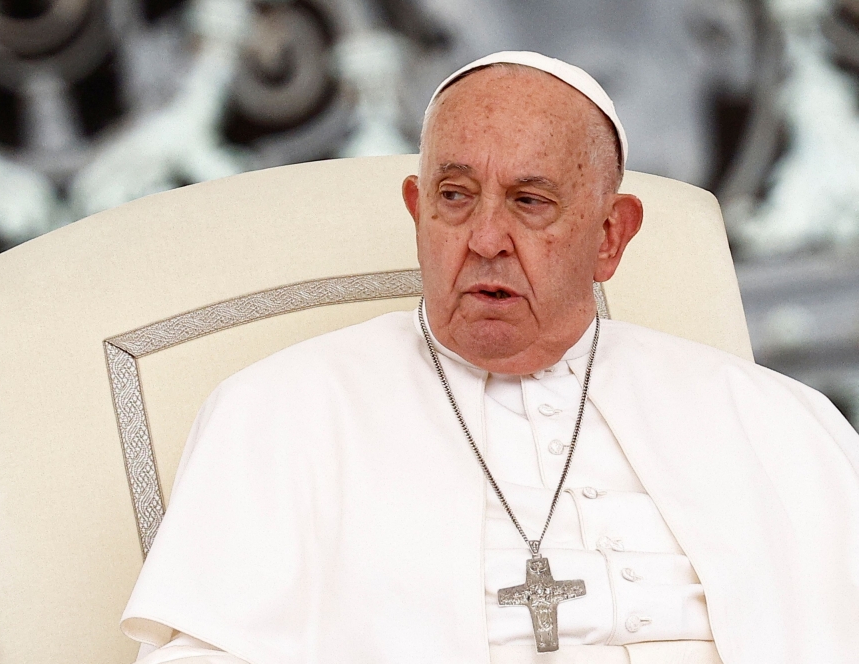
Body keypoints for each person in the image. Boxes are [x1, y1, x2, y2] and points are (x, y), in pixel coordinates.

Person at [120, 52, 859, 664]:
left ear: (610, 236)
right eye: (455, 196)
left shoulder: (776, 423)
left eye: (530, 201)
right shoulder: (281, 413)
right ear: (418, 211)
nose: (483, 239)